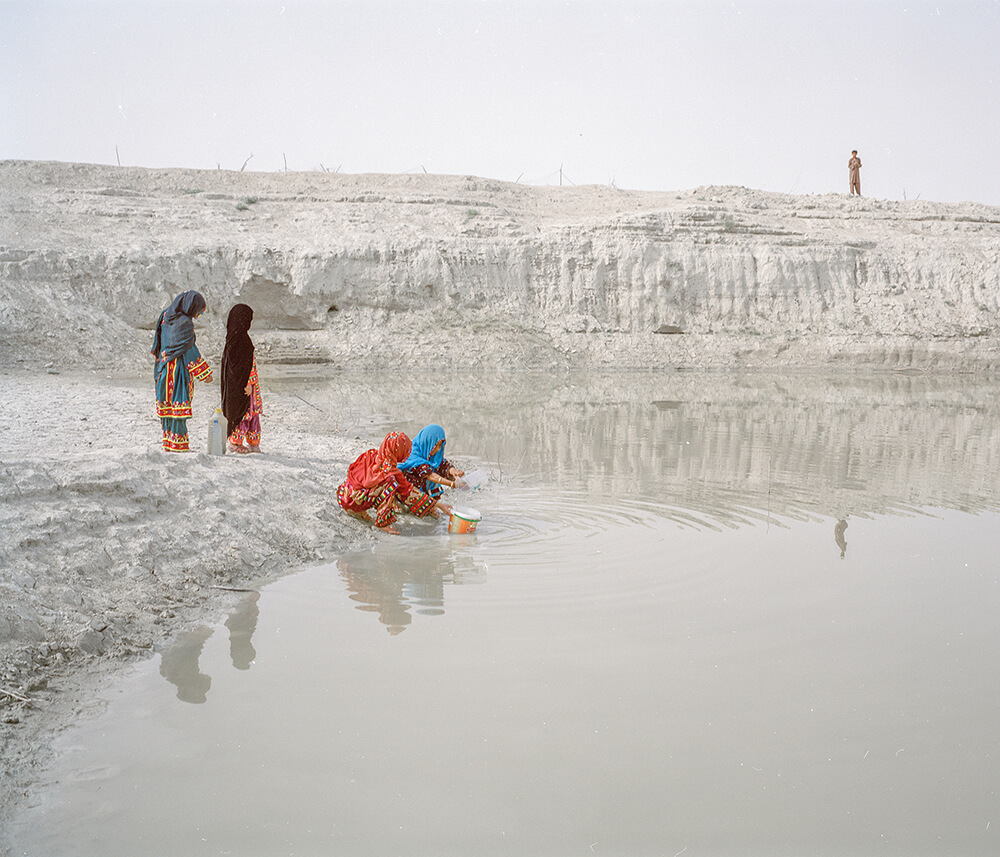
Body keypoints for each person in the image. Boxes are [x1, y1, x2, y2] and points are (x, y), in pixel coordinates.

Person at [336, 431, 438, 534]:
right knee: (391, 484)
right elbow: (408, 492)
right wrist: (435, 505)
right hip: (354, 504)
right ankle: (383, 523)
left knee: (369, 484)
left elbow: (353, 474)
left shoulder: (371, 454)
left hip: (343, 497)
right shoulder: (390, 472)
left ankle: (361, 512)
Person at [151, 291, 213, 452]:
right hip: (178, 370)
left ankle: (168, 442)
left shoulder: (165, 315)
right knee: (178, 404)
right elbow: (189, 350)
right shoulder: (185, 323)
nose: (197, 316)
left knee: (167, 406)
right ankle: (178, 444)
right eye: (198, 311)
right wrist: (204, 374)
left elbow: (158, 342)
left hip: (163, 368)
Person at [221, 303, 263, 453]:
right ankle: (236, 443)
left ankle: (252, 442)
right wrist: (249, 383)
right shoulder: (240, 339)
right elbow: (241, 366)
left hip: (241, 386)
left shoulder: (233, 337)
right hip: (245, 387)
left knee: (251, 414)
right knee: (244, 413)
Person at [399, 424, 465, 511]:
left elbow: (443, 464)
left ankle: (430, 503)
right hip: (408, 493)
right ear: (428, 442)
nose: (438, 449)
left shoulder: (430, 455)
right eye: (436, 445)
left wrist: (453, 471)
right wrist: (453, 484)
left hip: (422, 492)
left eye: (440, 446)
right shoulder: (414, 456)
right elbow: (430, 475)